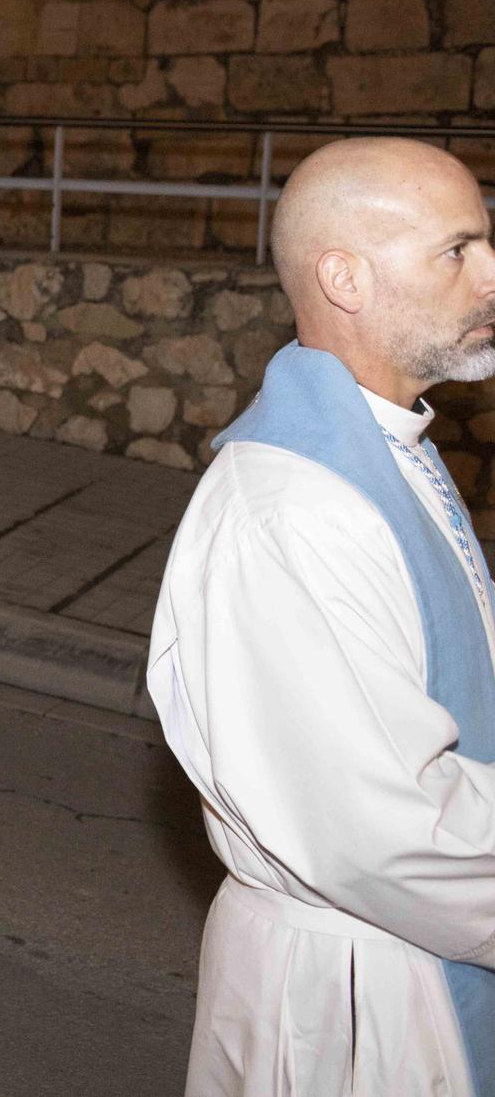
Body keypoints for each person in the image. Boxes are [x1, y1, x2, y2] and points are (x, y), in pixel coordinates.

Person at [149, 136, 495, 1094]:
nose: (491, 273)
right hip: (357, 1000)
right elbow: (379, 827)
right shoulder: (288, 509)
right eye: (458, 250)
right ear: (344, 276)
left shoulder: (387, 446)